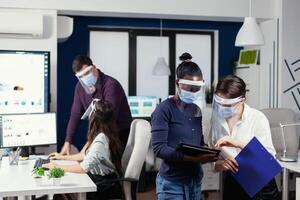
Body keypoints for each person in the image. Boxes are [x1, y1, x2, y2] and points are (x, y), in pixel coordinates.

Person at [151, 52, 218, 200]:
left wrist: (210, 151)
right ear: (177, 84)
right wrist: (194, 159)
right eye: (189, 88)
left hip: (194, 181)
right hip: (172, 183)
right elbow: (159, 149)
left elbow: (198, 143)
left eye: (196, 89)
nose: (193, 93)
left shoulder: (196, 110)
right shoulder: (164, 109)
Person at [208, 75, 280, 200]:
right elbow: (213, 157)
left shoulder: (257, 118)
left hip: (260, 183)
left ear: (242, 100)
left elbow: (269, 158)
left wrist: (237, 143)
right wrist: (221, 164)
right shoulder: (216, 121)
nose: (222, 108)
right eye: (219, 103)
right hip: (233, 181)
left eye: (228, 105)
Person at [43, 100, 123, 199]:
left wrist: (57, 167)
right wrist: (62, 157)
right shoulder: (102, 134)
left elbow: (83, 168)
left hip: (103, 188)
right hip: (100, 182)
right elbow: (85, 156)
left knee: (60, 195)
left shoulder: (100, 141)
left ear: (94, 118)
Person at [60, 55, 132, 155]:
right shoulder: (80, 87)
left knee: (85, 162)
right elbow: (75, 114)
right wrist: (68, 142)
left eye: (86, 73)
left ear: (94, 67)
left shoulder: (111, 85)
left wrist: (88, 146)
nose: (84, 78)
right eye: (81, 76)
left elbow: (108, 119)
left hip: (118, 137)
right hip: (99, 137)